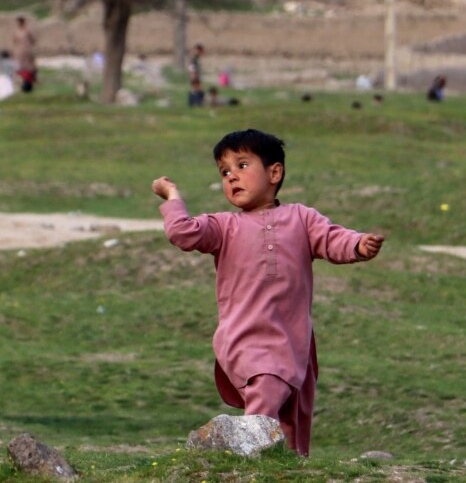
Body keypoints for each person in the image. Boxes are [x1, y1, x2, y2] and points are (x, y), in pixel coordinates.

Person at [151, 129, 385, 456]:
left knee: (293, 422)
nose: (232, 176)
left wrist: (358, 245)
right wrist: (173, 196)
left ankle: (288, 467)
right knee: (267, 389)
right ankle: (249, 459)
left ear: (274, 172)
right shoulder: (223, 226)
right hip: (246, 335)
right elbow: (181, 232)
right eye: (224, 172)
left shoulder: (302, 218)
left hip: (292, 338)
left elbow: (333, 239)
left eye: (242, 165)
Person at [12, 15, 37, 93]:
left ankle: (29, 85)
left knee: (29, 68)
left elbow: (33, 40)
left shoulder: (27, 31)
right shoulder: (16, 32)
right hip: (19, 53)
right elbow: (14, 41)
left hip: (27, 52)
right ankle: (21, 85)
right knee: (19, 68)